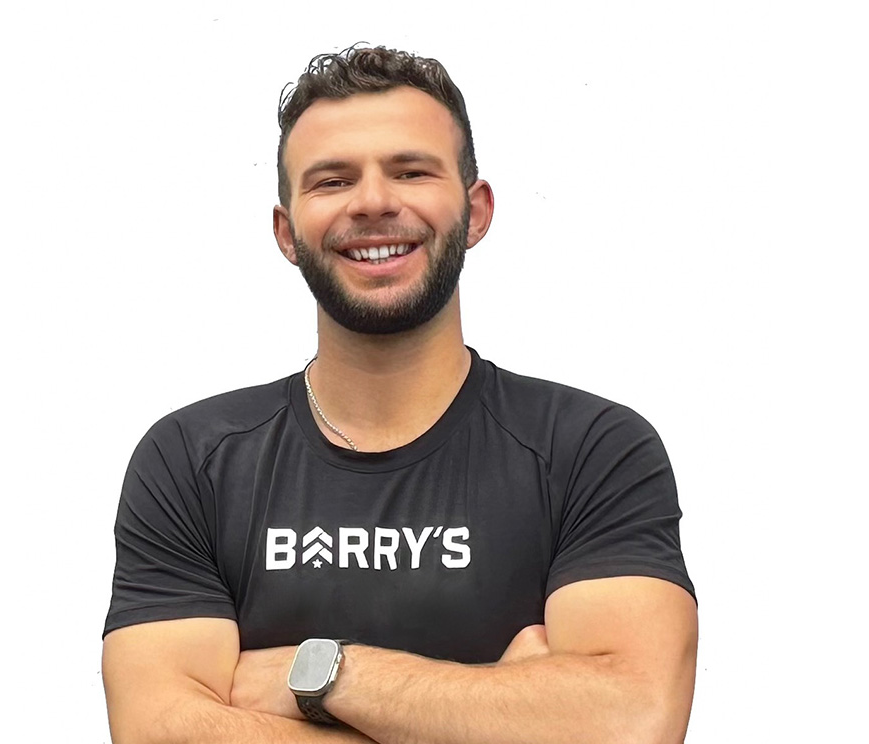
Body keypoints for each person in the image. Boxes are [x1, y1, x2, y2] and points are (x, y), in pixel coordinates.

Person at [102, 45, 698, 744]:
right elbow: (158, 732)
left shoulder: (591, 449)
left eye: (411, 171)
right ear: (286, 232)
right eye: (332, 181)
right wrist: (510, 714)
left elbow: (628, 722)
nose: (375, 201)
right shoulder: (192, 459)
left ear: (475, 212)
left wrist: (320, 675)